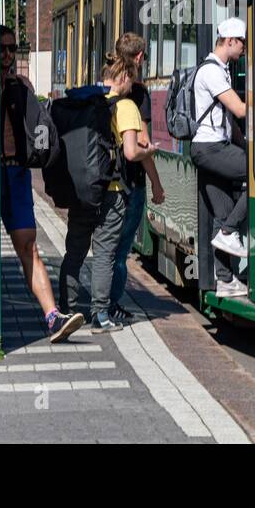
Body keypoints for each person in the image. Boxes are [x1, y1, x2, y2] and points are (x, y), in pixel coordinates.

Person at [0, 27, 84, 343]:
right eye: (1, 48)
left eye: (12, 48)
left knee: (29, 246)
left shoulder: (22, 86)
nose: (7, 54)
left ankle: (53, 317)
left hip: (15, 173)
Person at [59, 53, 153, 332]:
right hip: (111, 191)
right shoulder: (125, 106)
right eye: (132, 79)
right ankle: (100, 315)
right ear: (123, 77)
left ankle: (67, 308)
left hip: (81, 189)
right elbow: (131, 151)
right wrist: (150, 150)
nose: (133, 85)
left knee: (74, 251)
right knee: (104, 254)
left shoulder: (86, 101)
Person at [190, 17, 250, 298]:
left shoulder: (220, 70)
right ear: (230, 41)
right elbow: (238, 110)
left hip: (212, 148)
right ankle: (229, 231)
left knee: (223, 212)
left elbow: (228, 120)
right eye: (242, 44)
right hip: (210, 149)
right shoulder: (212, 72)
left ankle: (225, 280)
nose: (244, 50)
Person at [108, 33, 165, 320]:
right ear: (140, 57)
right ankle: (110, 305)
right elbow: (142, 144)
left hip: (105, 180)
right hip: (130, 181)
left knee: (107, 245)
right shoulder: (138, 94)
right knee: (121, 250)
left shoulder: (105, 86)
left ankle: (98, 301)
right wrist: (155, 182)